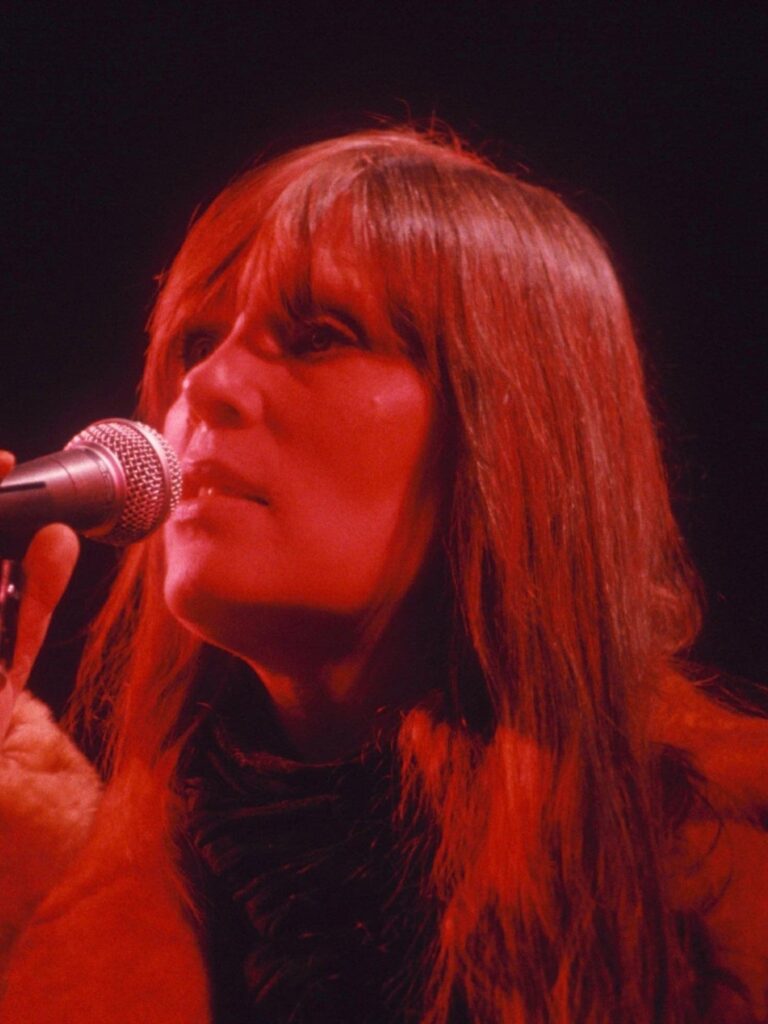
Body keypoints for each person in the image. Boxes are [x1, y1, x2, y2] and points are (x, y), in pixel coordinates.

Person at [0, 126, 766, 1024]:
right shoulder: (59, 902)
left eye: (319, 337)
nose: (205, 385)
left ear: (507, 437)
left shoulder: (721, 897)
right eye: (198, 340)